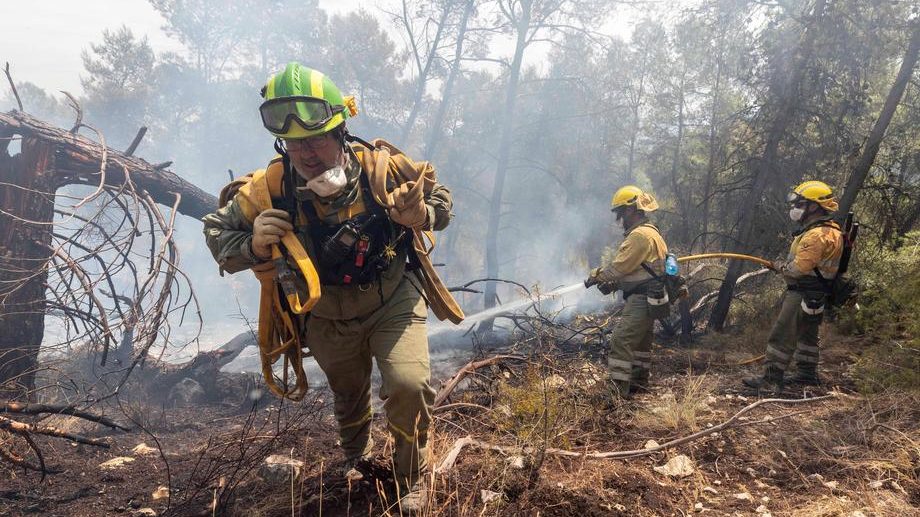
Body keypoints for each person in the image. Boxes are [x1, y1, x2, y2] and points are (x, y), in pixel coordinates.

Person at [202, 63, 462, 513]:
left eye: (317, 139)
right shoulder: (270, 189)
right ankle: (356, 459)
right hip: (324, 313)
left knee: (408, 383)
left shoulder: (381, 169)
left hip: (392, 297)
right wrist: (253, 242)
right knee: (348, 393)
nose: (306, 153)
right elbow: (218, 237)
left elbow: (441, 201)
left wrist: (419, 214)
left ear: (341, 131)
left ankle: (412, 481)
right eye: (295, 143)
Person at [743, 180, 844, 393]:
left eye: (801, 203)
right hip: (816, 294)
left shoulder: (816, 235)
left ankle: (771, 380)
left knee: (782, 334)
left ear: (814, 206)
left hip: (802, 293)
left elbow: (798, 269)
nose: (796, 208)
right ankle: (806, 373)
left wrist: (779, 267)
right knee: (807, 334)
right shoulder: (832, 231)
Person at [586, 185, 668, 397]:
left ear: (632, 209)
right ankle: (638, 383)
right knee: (641, 343)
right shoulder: (652, 233)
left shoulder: (639, 236)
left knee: (621, 341)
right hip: (652, 296)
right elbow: (641, 271)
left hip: (642, 298)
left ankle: (615, 392)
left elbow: (619, 267)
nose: (620, 218)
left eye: (621, 212)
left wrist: (596, 276)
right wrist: (616, 285)